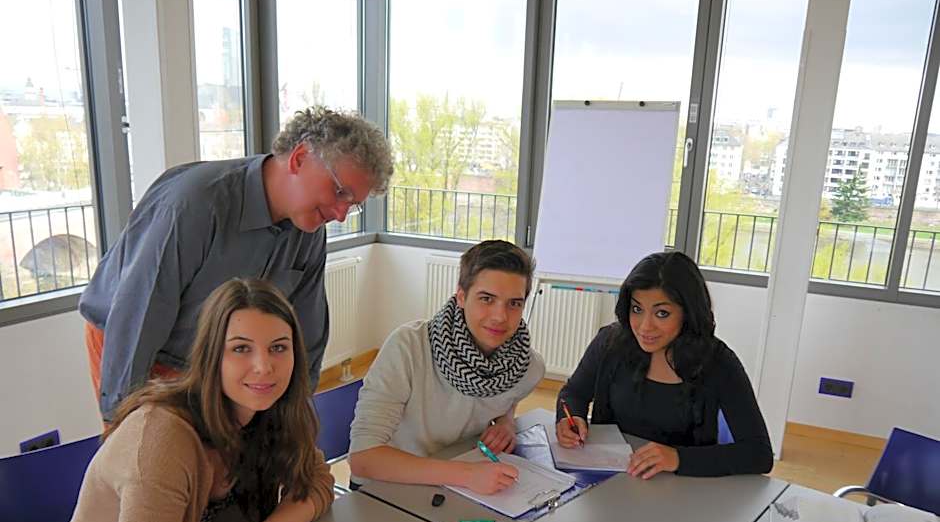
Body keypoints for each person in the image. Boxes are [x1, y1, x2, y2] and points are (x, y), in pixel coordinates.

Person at [36, 279, 361, 522]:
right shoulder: (162, 437)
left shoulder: (271, 409)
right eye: (241, 349)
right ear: (211, 356)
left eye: (279, 348)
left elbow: (317, 483)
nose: (264, 366)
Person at [80, 106, 394, 419]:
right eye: (339, 192)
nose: (340, 214)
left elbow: (306, 333)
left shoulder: (308, 229)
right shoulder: (195, 203)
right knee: (154, 454)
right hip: (135, 343)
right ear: (299, 159)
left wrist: (296, 418)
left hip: (214, 359)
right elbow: (139, 313)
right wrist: (122, 420)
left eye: (352, 206)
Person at [348, 240, 546, 494]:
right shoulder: (408, 347)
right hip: (386, 488)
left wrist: (506, 421)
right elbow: (363, 458)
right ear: (461, 297)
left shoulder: (527, 367)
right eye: (486, 299)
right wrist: (466, 474)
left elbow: (506, 399)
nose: (500, 316)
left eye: (514, 304)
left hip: (455, 486)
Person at [556, 251, 773, 478]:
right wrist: (569, 419)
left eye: (662, 313)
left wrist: (678, 458)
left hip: (683, 491)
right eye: (637, 309)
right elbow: (573, 394)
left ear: (687, 313)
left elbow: (759, 453)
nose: (644, 327)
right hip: (612, 481)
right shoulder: (611, 342)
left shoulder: (718, 362)